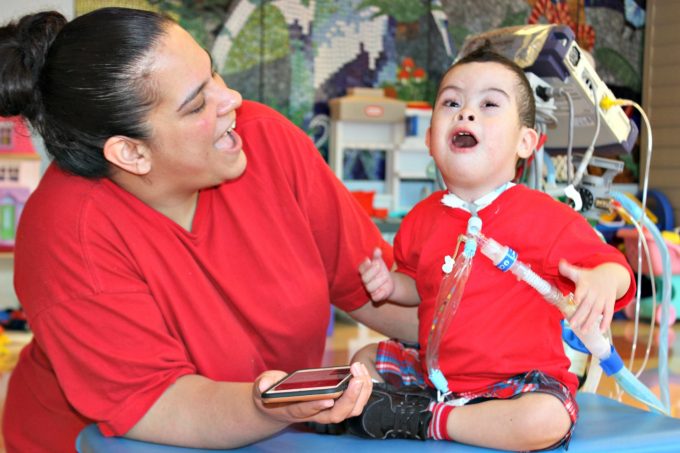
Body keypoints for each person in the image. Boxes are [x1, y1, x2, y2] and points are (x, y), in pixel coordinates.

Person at [0, 7, 418, 452]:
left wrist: (480, 329)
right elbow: (160, 403)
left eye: (214, 74)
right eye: (197, 103)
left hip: (263, 434)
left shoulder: (265, 142)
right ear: (131, 152)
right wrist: (269, 407)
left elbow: (377, 292)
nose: (231, 98)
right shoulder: (69, 231)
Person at [350, 46, 635, 451]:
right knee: (364, 361)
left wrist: (604, 280)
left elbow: (614, 266)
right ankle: (435, 410)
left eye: (488, 105)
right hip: (437, 377)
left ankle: (433, 421)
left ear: (525, 142)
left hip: (516, 385)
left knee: (547, 418)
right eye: (452, 102)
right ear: (431, 139)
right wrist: (388, 286)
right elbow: (420, 284)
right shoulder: (420, 220)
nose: (466, 113)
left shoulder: (545, 217)